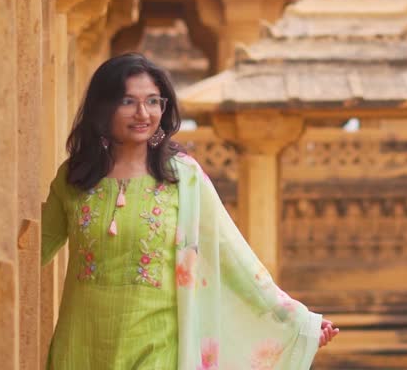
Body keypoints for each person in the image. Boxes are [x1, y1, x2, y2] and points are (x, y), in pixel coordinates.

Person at [42, 54, 338, 369]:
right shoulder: (75, 177)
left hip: (158, 345)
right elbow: (36, 244)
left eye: (153, 101)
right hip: (81, 346)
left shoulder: (182, 177)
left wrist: (296, 321)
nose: (143, 113)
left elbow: (232, 255)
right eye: (128, 101)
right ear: (104, 108)